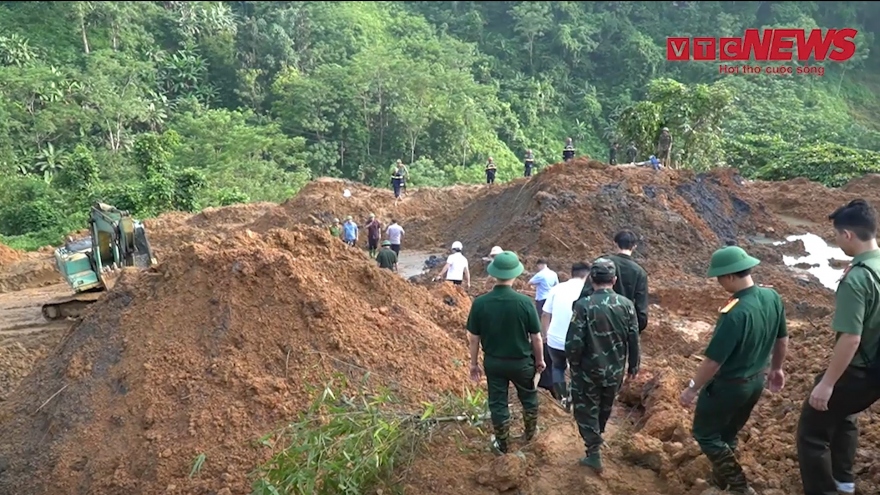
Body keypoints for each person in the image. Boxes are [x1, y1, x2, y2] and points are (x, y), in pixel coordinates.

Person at [679, 245, 788, 495]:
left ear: (729, 276)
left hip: (729, 387)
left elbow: (713, 362)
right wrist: (777, 368)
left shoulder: (735, 313)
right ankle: (722, 482)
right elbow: (782, 340)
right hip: (755, 383)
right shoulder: (772, 297)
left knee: (705, 435)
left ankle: (738, 485)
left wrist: (692, 389)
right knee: (728, 434)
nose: (719, 283)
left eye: (719, 278)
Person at [797, 199, 880, 495]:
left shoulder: (857, 279)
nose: (835, 240)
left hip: (860, 370)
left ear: (848, 235)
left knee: (812, 432)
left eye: (835, 235)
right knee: (845, 415)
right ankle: (843, 481)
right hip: (875, 371)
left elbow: (850, 338)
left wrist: (827, 383)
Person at [467, 251, 545, 454]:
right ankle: (529, 434)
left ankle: (502, 442)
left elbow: (474, 338)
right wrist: (540, 360)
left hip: (494, 363)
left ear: (494, 274)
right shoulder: (525, 303)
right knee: (528, 398)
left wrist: (473, 363)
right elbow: (536, 337)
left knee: (498, 401)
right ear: (516, 274)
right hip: (521, 363)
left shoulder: (480, 303)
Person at [567, 257, 640, 472]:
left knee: (584, 410)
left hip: (587, 370)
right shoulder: (627, 306)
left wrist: (573, 363)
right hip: (615, 370)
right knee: (605, 407)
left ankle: (594, 450)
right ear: (614, 280)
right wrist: (633, 365)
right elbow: (634, 338)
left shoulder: (583, 305)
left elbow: (574, 341)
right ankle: (597, 437)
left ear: (592, 279)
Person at [541, 262, 589, 411]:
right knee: (578, 370)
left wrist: (545, 335)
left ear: (572, 273)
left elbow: (545, 314)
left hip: (555, 340)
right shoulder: (588, 292)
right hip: (578, 342)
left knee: (558, 368)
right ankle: (576, 400)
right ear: (587, 276)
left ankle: (562, 398)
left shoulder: (557, 289)